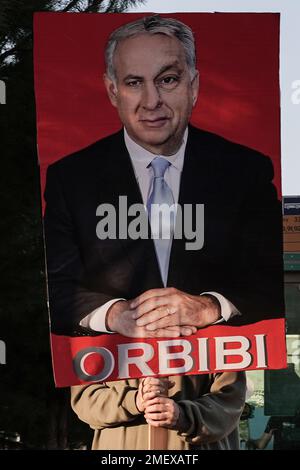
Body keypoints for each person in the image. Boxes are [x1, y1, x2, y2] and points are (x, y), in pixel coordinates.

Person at [43, 14, 282, 450]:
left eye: (168, 79)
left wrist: (210, 307)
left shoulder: (245, 171)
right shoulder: (68, 178)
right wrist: (116, 316)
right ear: (112, 90)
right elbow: (59, 291)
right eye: (134, 82)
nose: (151, 100)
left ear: (193, 83)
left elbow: (268, 284)